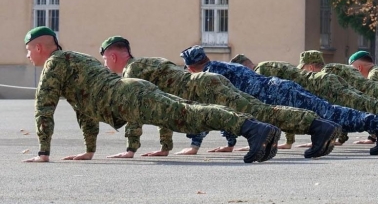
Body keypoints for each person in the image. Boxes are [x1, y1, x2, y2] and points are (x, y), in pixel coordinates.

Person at [22, 27, 279, 164]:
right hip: (133, 92)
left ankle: (255, 130)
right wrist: (89, 150)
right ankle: (260, 130)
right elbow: (85, 109)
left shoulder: (54, 63)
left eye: (28, 51)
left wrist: (43, 152)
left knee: (190, 116)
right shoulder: (74, 58)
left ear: (39, 47)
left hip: (129, 98)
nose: (27, 56)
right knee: (189, 113)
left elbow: (43, 106)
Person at [101, 37, 340, 159]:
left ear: (112, 57)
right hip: (208, 82)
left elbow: (137, 110)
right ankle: (317, 127)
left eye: (104, 59)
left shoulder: (132, 73)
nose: (104, 64)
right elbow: (164, 106)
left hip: (203, 89)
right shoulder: (151, 62)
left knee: (260, 113)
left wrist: (131, 148)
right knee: (260, 111)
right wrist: (166, 147)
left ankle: (318, 128)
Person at [182, 46, 378, 155]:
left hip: (275, 96)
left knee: (329, 115)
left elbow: (212, 110)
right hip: (280, 87)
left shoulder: (207, 77)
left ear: (191, 67)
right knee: (329, 112)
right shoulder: (226, 65)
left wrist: (195, 146)